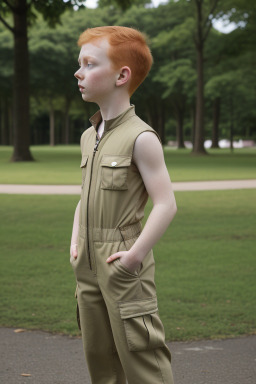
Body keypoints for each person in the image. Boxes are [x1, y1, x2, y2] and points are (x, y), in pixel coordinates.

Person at [70, 26, 177, 384]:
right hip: (86, 261)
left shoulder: (141, 137)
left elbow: (166, 204)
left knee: (142, 358)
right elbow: (85, 196)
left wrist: (134, 256)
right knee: (100, 359)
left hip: (122, 260)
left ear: (122, 75)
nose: (78, 72)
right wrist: (75, 241)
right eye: (79, 64)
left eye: (88, 64)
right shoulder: (90, 135)